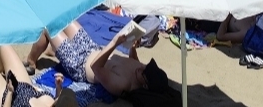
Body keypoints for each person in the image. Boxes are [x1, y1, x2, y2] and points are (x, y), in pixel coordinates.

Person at [25, 23, 168, 97]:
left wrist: (114, 43)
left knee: (48, 29)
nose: (142, 67)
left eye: (144, 72)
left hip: (80, 63)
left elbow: (96, 67)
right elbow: (134, 63)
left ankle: (31, 61)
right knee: (64, 19)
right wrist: (132, 47)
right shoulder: (140, 70)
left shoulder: (121, 85)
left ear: (144, 86)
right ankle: (55, 50)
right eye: (146, 66)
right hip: (92, 48)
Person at [0, 46, 78, 107]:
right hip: (25, 86)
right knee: (5, 48)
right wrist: (58, 87)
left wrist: (10, 92)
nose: (59, 97)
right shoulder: (54, 102)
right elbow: (59, 102)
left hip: (6, 96)